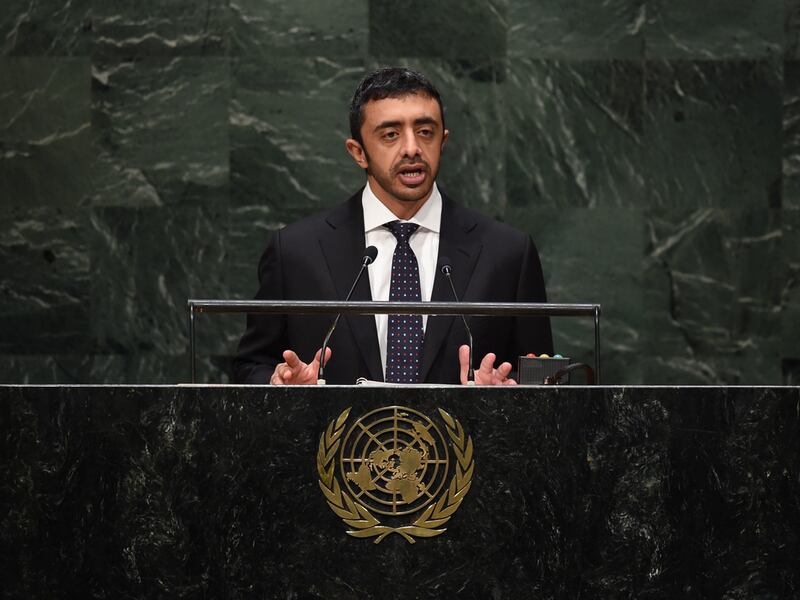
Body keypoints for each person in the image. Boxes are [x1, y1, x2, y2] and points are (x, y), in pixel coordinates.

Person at [233, 67, 552, 385]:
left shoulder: (507, 254)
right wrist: (279, 384)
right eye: (390, 134)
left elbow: (544, 382)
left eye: (425, 132)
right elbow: (252, 367)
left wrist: (506, 399)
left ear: (443, 141)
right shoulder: (296, 252)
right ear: (358, 152)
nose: (412, 148)